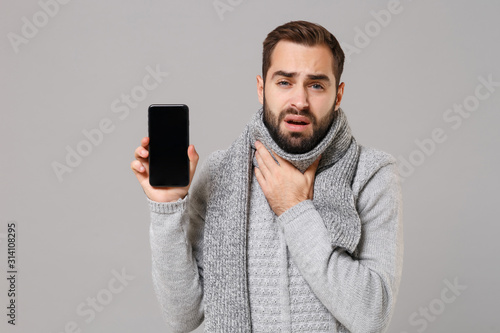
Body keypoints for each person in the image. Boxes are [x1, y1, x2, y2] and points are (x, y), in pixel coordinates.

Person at [131, 20, 403, 333]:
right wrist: (167, 208)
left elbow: (372, 316)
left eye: (316, 85)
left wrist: (294, 209)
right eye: (285, 82)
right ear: (262, 89)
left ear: (338, 95)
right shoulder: (220, 174)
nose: (299, 101)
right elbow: (183, 318)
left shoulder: (372, 173)